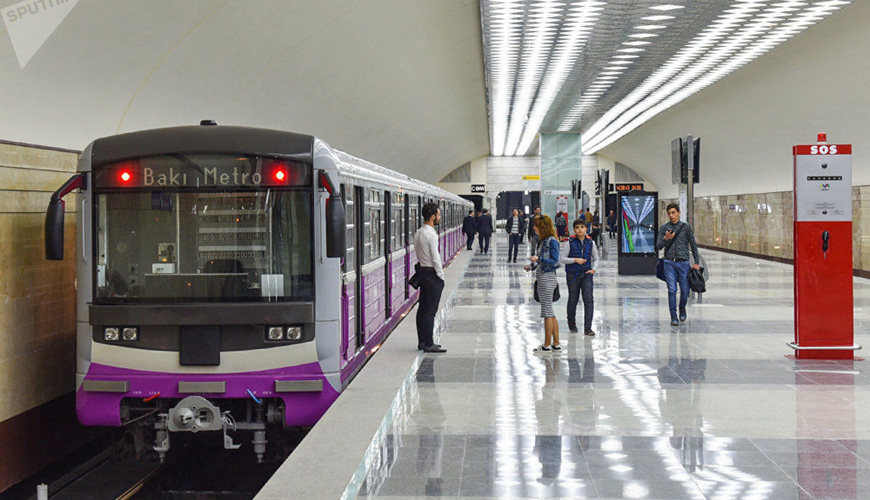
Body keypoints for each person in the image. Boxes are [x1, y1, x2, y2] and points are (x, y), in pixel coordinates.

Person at [656, 203, 702, 326]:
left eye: (673, 213)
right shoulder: (663, 228)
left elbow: (693, 244)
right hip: (669, 262)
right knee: (672, 289)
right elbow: (658, 246)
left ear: (679, 213)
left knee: (685, 290)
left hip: (684, 263)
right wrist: (666, 239)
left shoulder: (686, 227)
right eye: (669, 213)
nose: (671, 215)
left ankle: (682, 307)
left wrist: (696, 262)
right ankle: (673, 316)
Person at [413, 202, 447, 353]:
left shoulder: (419, 232)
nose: (439, 217)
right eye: (438, 215)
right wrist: (441, 276)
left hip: (422, 272)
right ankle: (429, 343)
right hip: (432, 274)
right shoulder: (431, 234)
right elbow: (436, 257)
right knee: (430, 311)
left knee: (422, 309)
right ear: (433, 217)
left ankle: (422, 341)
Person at [524, 215, 561, 353]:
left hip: (547, 279)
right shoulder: (543, 241)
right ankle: (556, 343)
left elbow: (555, 262)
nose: (534, 227)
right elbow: (540, 261)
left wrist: (539, 258)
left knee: (547, 312)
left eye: (536, 225)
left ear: (542, 227)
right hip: (543, 278)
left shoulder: (552, 241)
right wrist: (531, 265)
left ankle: (546, 346)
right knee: (550, 312)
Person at [562, 219, 598, 335]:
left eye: (582, 227)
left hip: (587, 274)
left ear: (586, 229)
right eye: (577, 227)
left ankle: (588, 328)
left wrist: (594, 269)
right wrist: (575, 260)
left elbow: (596, 257)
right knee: (573, 299)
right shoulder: (570, 242)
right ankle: (572, 324)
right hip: (573, 275)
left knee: (588, 300)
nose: (580, 229)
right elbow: (562, 259)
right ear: (574, 230)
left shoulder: (590, 242)